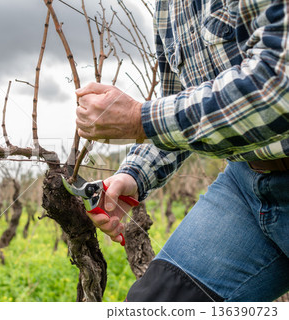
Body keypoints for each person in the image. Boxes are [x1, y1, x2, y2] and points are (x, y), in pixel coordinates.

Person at [75, 0, 289, 302]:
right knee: (156, 303)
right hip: (246, 187)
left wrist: (139, 118)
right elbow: (179, 101)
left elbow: (279, 84)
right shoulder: (168, 8)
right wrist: (133, 175)